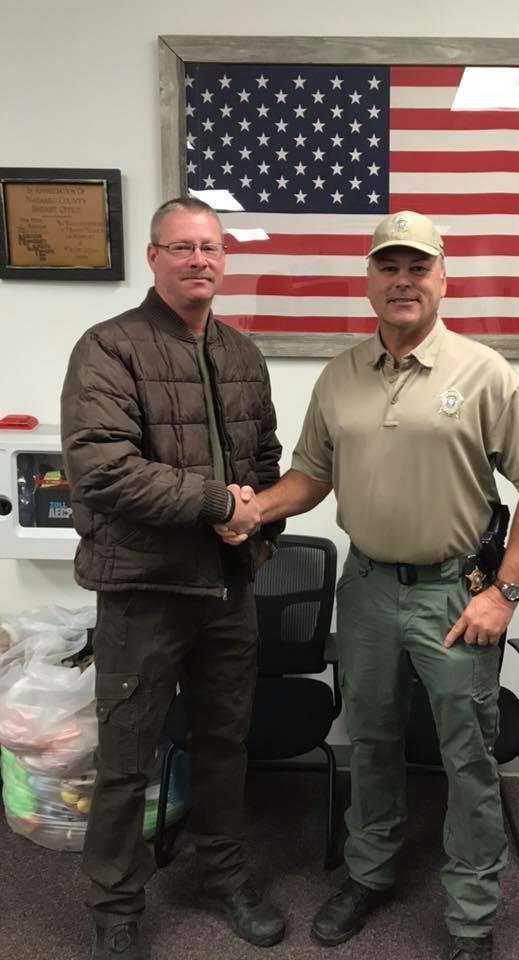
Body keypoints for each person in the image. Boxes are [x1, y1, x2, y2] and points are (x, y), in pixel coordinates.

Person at [219, 209, 519, 960]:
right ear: (369, 280)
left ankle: (471, 917)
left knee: (465, 754)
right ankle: (370, 872)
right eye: (388, 266)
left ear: (444, 279)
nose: (402, 280)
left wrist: (501, 593)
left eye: (418, 267)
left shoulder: (483, 373)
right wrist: (250, 512)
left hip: (453, 595)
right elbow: (310, 477)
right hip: (369, 588)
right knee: (370, 738)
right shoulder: (341, 374)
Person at [60, 197, 286, 960]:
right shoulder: (108, 348)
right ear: (153, 258)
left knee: (225, 743)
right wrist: (218, 502)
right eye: (182, 247)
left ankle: (222, 873)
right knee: (126, 757)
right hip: (145, 592)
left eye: (211, 248)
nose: (199, 261)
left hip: (229, 588)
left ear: (225, 259)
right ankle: (115, 904)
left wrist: (255, 516)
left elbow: (264, 463)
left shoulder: (243, 355)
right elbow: (101, 469)